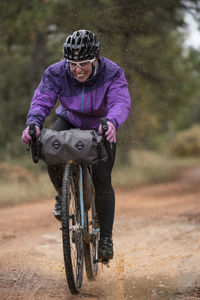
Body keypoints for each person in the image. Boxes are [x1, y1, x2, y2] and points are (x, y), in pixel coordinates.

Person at [22, 29, 131, 262]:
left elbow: (120, 101)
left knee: (102, 179)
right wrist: (34, 124)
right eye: (72, 63)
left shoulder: (112, 72)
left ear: (95, 59)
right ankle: (62, 195)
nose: (78, 69)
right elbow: (42, 100)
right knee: (49, 146)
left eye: (83, 63)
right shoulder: (56, 72)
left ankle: (106, 239)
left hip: (100, 125)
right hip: (69, 120)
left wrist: (112, 122)